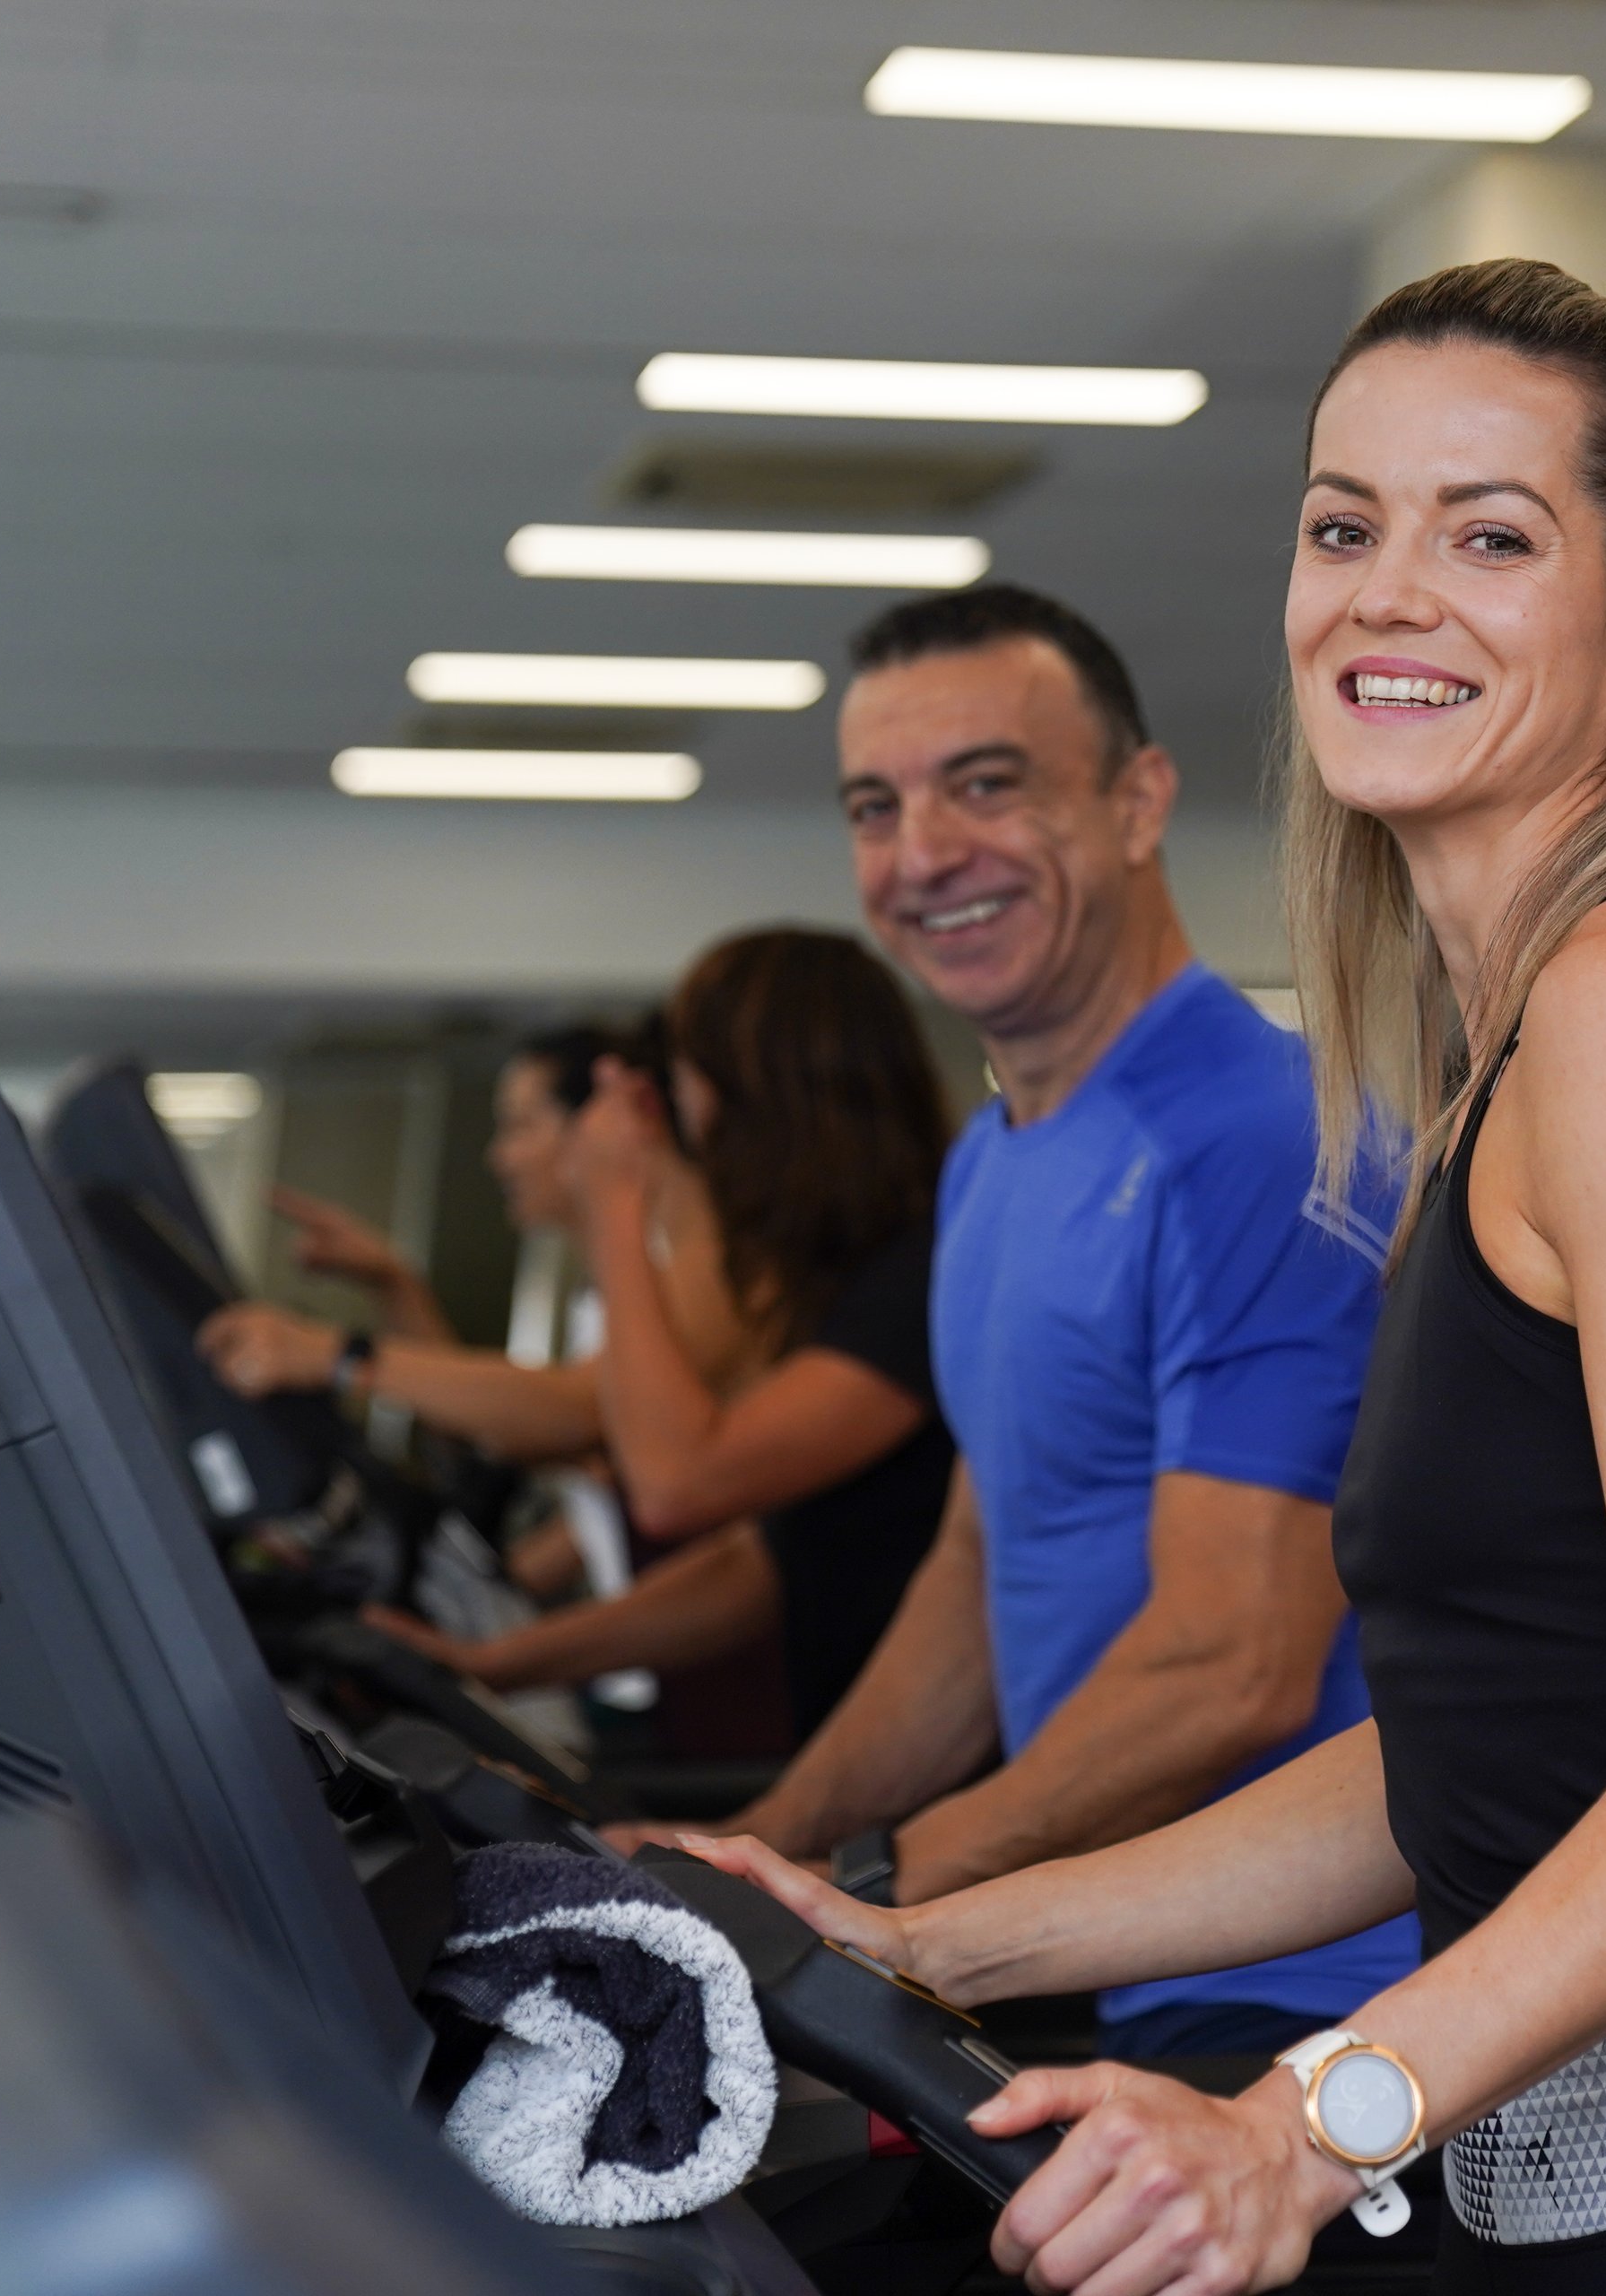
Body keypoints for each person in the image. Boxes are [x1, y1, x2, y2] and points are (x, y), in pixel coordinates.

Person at [646, 263, 1606, 2293]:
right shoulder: (1497, 1064)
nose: (1387, 591)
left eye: (1489, 534)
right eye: (1343, 523)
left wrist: (1298, 2129)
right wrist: (923, 1933)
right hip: (1565, 2198)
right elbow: (1459, 1755)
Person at [620, 583, 1419, 2066]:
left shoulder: (1253, 1137)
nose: (924, 855)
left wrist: (883, 1885)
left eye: (988, 785)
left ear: (1137, 801)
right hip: (1116, 1963)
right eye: (876, 807)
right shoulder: (994, 1165)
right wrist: (754, 1847)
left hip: (1319, 2001)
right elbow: (983, 1569)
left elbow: (1232, 1666)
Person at [367, 928, 958, 1744]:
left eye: (685, 1075)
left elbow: (676, 1483)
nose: (678, 1113)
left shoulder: (917, 1273)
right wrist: (502, 1661)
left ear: (754, 1091)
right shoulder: (839, 1276)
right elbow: (759, 1566)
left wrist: (614, 1202)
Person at [197, 1022, 754, 1471]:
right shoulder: (608, 1286)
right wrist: (395, 1284)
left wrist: (336, 1356)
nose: (499, 1157)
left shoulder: (706, 1259)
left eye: (520, 1126)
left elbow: (575, 1410)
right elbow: (511, 1430)